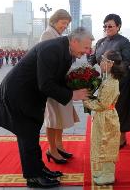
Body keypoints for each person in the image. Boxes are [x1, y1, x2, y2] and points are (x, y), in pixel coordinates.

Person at [0, 27, 93, 188]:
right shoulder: (52, 49)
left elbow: (57, 79)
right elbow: (46, 83)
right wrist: (72, 95)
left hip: (30, 94)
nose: (88, 51)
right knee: (27, 135)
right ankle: (33, 177)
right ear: (75, 41)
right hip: (19, 94)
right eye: (86, 47)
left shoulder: (66, 50)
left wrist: (77, 85)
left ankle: (39, 169)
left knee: (31, 134)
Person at [87, 14, 130, 148]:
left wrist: (112, 69)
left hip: (121, 80)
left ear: (118, 26)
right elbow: (92, 58)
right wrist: (86, 69)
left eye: (110, 26)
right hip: (105, 79)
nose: (107, 28)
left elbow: (126, 61)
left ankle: (121, 138)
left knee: (120, 109)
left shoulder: (124, 42)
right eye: (105, 26)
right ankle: (109, 136)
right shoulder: (100, 42)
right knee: (106, 109)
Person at [40, 9, 78, 164]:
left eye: (67, 24)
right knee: (52, 118)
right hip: (51, 84)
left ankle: (59, 145)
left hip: (60, 82)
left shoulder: (58, 36)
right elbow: (47, 61)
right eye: (63, 23)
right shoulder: (47, 35)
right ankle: (52, 149)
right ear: (54, 21)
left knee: (59, 117)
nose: (64, 26)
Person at [83, 50, 125, 185]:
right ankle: (104, 171)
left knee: (106, 145)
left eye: (103, 60)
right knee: (102, 143)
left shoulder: (110, 83)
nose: (100, 62)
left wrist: (86, 100)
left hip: (107, 117)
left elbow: (102, 104)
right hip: (104, 117)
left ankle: (108, 175)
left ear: (110, 64)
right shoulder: (108, 78)